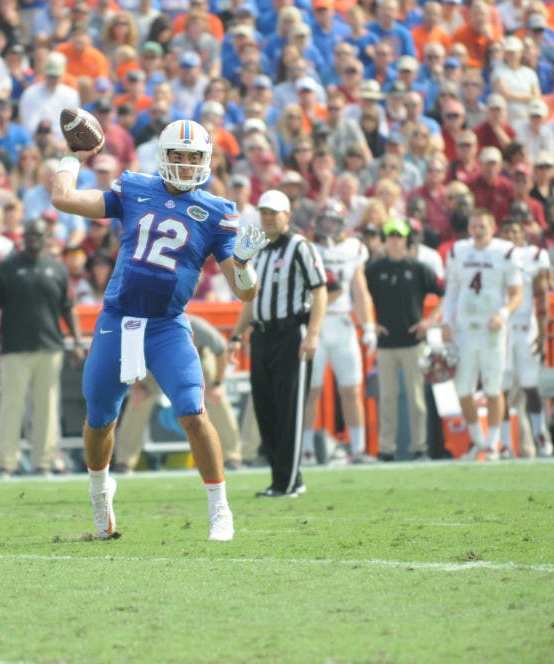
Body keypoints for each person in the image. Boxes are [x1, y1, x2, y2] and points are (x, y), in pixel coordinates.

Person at [51, 119, 265, 541]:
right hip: (118, 319)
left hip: (166, 325)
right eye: (178, 157)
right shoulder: (134, 188)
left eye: (193, 158)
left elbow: (245, 293)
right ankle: (99, 494)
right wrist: (72, 158)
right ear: (163, 157)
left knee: (193, 411)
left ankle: (220, 509)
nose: (185, 166)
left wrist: (243, 266)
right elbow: (64, 198)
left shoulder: (218, 212)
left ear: (205, 161)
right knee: (99, 419)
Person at [229, 189, 327, 497]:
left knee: (289, 409)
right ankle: (285, 478)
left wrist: (312, 334)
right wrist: (236, 334)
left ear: (287, 215)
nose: (268, 218)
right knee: (265, 408)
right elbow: (249, 298)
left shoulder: (300, 246)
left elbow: (320, 290)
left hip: (290, 334)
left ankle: (285, 482)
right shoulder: (258, 250)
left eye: (274, 213)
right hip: (262, 335)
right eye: (264, 213)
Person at [0, 218, 86, 477]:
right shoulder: (6, 267)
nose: (33, 239)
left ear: (46, 238)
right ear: (23, 236)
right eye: (29, 234)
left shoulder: (57, 268)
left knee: (47, 407)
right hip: (14, 347)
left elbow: (69, 308)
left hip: (50, 346)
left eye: (38, 235)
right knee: (11, 406)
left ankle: (44, 462)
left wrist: (76, 341)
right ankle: (6, 462)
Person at [114, 313, 244, 473]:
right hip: (156, 365)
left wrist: (217, 384)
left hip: (195, 362)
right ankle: (124, 461)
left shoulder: (197, 326)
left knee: (217, 397)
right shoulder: (146, 327)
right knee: (137, 400)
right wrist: (138, 386)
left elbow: (221, 350)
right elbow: (130, 356)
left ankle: (233, 456)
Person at [442, 209, 523, 460]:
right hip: (466, 328)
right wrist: (446, 321)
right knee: (462, 388)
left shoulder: (505, 252)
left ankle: (493, 443)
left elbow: (516, 293)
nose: (478, 231)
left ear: (493, 228)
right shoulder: (458, 251)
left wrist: (503, 314)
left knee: (492, 386)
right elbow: (452, 289)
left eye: (482, 227)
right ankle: (478, 440)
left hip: (492, 328)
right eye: (474, 226)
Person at [303, 199, 376, 464]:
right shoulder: (309, 248)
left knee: (351, 389)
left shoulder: (354, 248)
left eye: (333, 221)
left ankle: (358, 449)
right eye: (324, 221)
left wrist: (367, 325)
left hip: (344, 322)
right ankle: (307, 450)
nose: (328, 227)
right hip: (316, 324)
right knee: (311, 391)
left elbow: (360, 290)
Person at [366, 219, 444, 461]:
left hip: (413, 342)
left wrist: (429, 322)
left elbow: (445, 293)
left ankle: (419, 446)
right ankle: (386, 448)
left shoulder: (418, 268)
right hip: (386, 343)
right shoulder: (374, 270)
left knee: (417, 399)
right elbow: (361, 298)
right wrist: (370, 323)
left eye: (398, 236)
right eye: (390, 236)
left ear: (406, 240)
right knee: (387, 398)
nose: (394, 241)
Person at [498, 219, 554, 457]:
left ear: (523, 235)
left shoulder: (533, 255)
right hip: (501, 327)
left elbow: (542, 295)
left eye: (516, 231)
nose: (512, 235)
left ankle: (540, 434)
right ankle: (503, 443)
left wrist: (542, 331)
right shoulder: (494, 254)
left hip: (525, 325)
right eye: (507, 231)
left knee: (531, 385)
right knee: (499, 388)